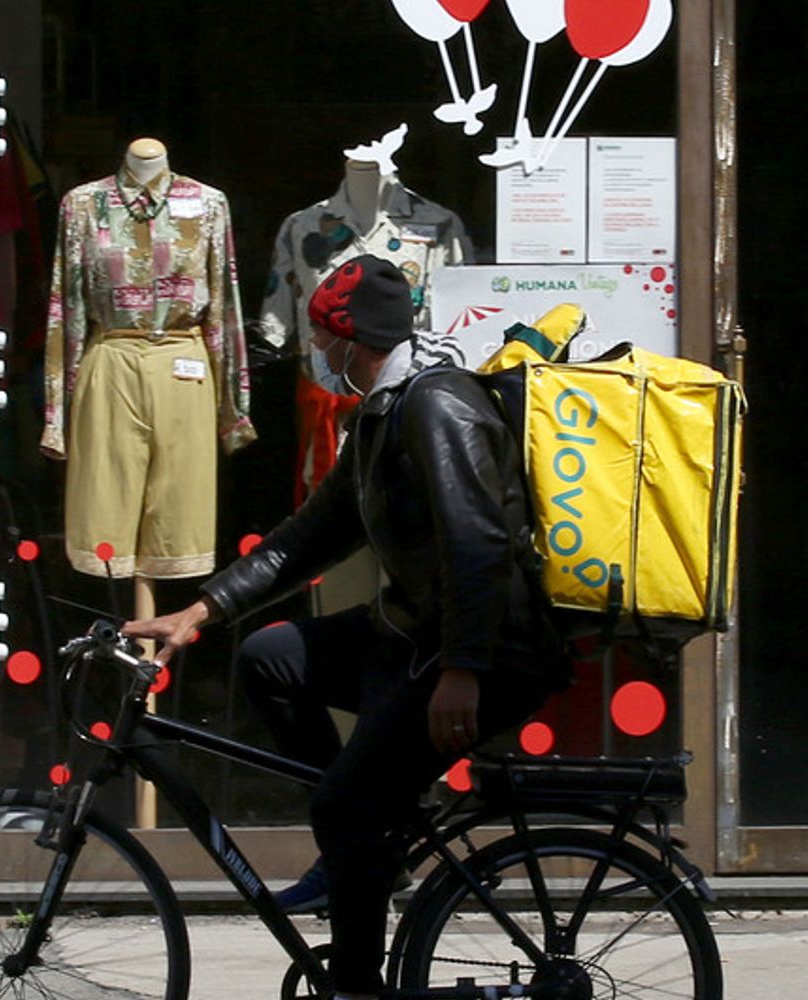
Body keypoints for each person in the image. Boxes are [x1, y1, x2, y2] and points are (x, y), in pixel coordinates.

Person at [121, 254, 569, 1000]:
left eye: (320, 337)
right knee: (269, 658)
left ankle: (357, 982)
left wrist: (464, 668)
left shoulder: (437, 404)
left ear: (348, 337)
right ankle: (371, 846)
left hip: (491, 651)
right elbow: (309, 537)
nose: (315, 353)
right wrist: (199, 612)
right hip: (416, 636)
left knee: (345, 807)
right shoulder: (382, 413)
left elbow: (477, 542)